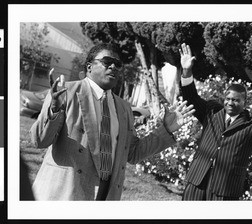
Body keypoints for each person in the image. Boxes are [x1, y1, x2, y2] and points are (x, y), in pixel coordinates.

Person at [30, 43, 195, 201]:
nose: (114, 67)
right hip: (64, 194)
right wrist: (53, 110)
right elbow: (39, 141)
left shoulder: (123, 108)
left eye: (118, 64)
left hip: (105, 195)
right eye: (107, 62)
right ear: (89, 67)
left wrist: (166, 129)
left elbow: (133, 153)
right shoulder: (66, 92)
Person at [178, 43, 252, 200]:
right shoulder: (211, 112)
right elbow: (191, 98)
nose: (230, 103)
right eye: (228, 99)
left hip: (224, 191)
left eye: (236, 100)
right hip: (196, 183)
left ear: (244, 102)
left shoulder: (251, 126)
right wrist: (187, 71)